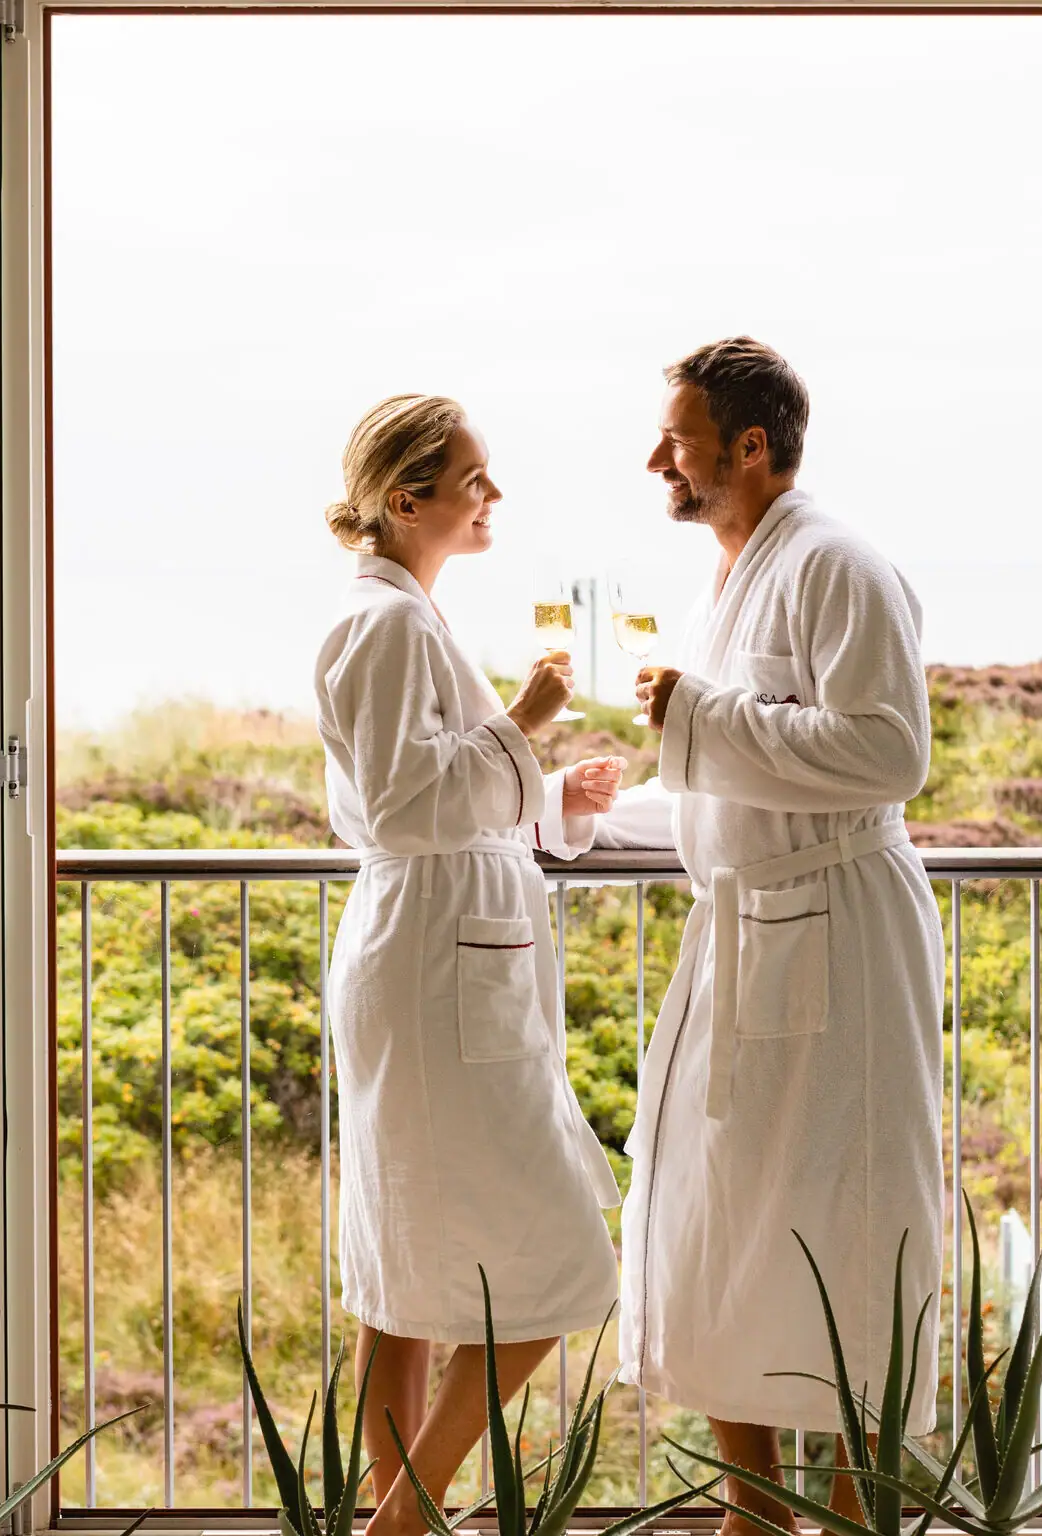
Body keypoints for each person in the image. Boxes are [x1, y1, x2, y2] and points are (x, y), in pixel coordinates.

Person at [599, 339, 945, 1534]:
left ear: (751, 446)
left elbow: (889, 753)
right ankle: (757, 1508)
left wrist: (699, 715)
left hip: (837, 932)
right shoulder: (734, 572)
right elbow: (734, 777)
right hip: (747, 924)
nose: (658, 459)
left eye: (678, 440)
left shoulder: (838, 566)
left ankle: (853, 1510)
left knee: (846, 1214)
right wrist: (597, 816)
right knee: (708, 1206)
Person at [314, 394, 625, 1536]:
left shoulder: (402, 616)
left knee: (402, 1277)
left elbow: (440, 795)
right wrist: (524, 723)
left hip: (442, 955)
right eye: (476, 480)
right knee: (555, 1258)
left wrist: (550, 800)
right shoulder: (386, 624)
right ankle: (408, 1518)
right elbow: (406, 806)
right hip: (436, 970)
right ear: (408, 501)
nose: (494, 497)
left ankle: (387, 1513)